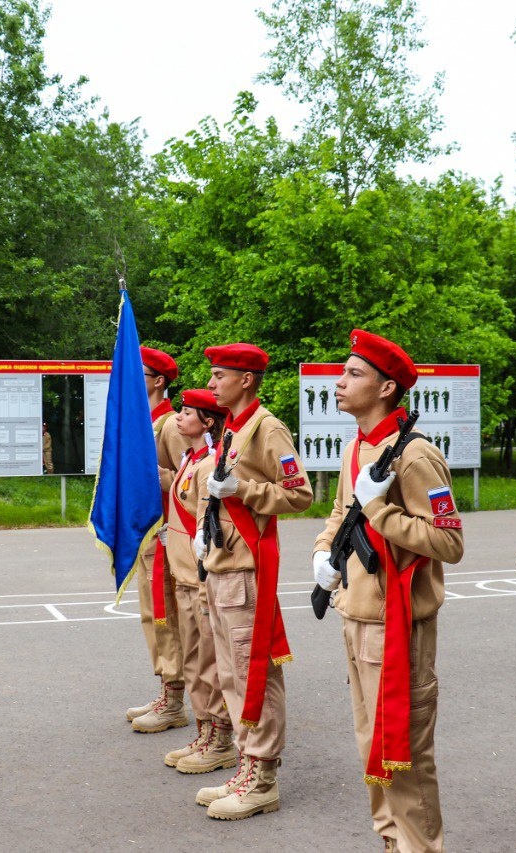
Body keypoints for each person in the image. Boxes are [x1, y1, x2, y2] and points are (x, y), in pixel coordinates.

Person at [311, 330, 464, 852]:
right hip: (357, 612)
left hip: (398, 623)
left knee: (405, 756)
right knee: (370, 747)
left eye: (354, 373)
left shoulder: (415, 457)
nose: (339, 380)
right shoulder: (358, 445)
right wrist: (322, 552)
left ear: (386, 388)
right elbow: (339, 512)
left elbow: (448, 540)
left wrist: (381, 510)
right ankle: (391, 842)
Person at [192, 342, 312, 820]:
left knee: (252, 671)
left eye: (220, 375)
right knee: (230, 675)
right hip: (222, 565)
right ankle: (246, 764)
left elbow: (299, 494)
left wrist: (243, 488)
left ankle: (263, 777)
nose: (212, 382)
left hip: (246, 570)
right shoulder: (233, 430)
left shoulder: (267, 428)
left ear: (246, 380)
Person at [161, 389, 236, 775]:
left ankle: (222, 738)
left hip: (199, 576)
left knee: (209, 661)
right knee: (193, 660)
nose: (178, 415)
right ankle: (205, 730)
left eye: (187, 411)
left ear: (208, 422)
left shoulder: (208, 465)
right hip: (183, 574)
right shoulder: (191, 459)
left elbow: (207, 527)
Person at [125, 346, 191, 732]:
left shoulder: (169, 424)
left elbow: (190, 481)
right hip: (145, 534)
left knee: (167, 616)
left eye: (140, 371)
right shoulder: (142, 422)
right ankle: (167, 689)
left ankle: (175, 700)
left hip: (166, 535)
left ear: (159, 380)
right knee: (153, 615)